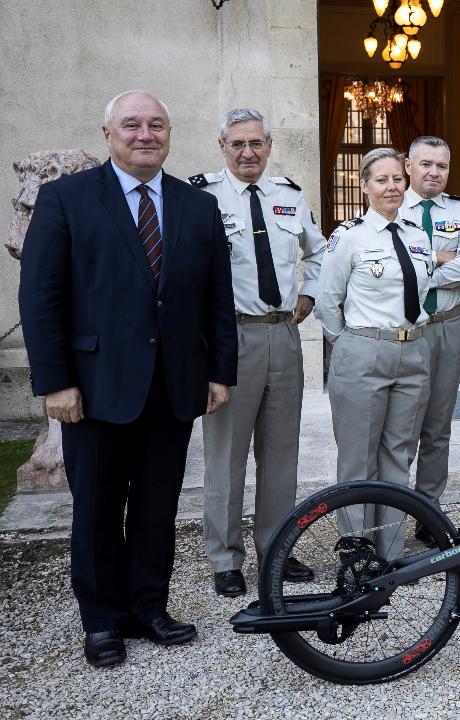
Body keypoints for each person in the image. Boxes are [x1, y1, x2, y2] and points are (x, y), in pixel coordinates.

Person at [18, 90, 237, 668]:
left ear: (170, 134)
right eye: (133, 125)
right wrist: (55, 383)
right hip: (93, 388)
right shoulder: (65, 199)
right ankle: (102, 620)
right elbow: (42, 298)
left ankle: (147, 606)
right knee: (97, 507)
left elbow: (217, 296)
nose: (146, 134)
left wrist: (219, 371)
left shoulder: (198, 206)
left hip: (173, 385)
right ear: (108, 134)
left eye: (157, 125)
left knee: (156, 506)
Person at [191, 108, 324, 597]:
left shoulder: (288, 196)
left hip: (283, 336)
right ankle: (225, 558)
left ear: (269, 146)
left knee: (281, 451)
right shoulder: (201, 197)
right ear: (222, 147)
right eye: (237, 144)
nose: (248, 153)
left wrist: (309, 296)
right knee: (226, 454)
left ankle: (276, 548)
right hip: (231, 338)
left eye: (256, 143)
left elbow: (320, 250)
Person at [316, 147, 432, 557]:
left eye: (397, 179)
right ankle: (356, 551)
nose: (391, 187)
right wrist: (349, 345)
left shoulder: (418, 235)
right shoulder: (348, 237)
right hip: (364, 351)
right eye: (381, 180)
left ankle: (391, 551)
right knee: (358, 458)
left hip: (412, 353)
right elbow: (327, 301)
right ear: (364, 185)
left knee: (398, 456)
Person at [400, 135, 460, 542]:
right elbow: (386, 266)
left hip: (448, 324)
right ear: (407, 165)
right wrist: (439, 258)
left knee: (438, 425)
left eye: (442, 166)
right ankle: (395, 514)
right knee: (402, 425)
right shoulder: (390, 203)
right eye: (427, 164)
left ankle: (429, 516)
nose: (435, 173)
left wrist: (419, 265)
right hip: (406, 326)